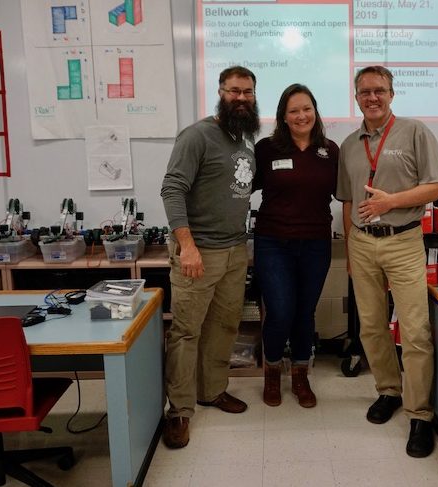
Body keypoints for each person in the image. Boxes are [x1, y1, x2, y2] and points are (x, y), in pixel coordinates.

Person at [336, 66, 438, 458]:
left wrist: (391, 202)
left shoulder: (415, 132)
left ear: (391, 94)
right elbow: (348, 201)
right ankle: (388, 391)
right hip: (363, 244)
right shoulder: (350, 144)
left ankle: (420, 414)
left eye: (379, 91)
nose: (372, 97)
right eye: (365, 92)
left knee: (415, 329)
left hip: (403, 241)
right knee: (370, 326)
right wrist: (351, 248)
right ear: (356, 97)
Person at [160, 66, 260, 449]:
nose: (241, 97)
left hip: (235, 250)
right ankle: (180, 411)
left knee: (224, 327)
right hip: (198, 252)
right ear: (220, 92)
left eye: (247, 92)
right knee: (186, 332)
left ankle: (212, 390)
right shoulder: (197, 135)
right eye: (234, 91)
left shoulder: (246, 139)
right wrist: (187, 245)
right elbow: (172, 189)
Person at [253, 84, 339, 408]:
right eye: (294, 111)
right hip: (273, 242)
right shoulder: (266, 149)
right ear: (283, 117)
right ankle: (272, 370)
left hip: (316, 243)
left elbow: (343, 195)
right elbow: (240, 189)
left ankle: (301, 374)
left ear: (315, 112)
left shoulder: (330, 151)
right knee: (280, 311)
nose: (301, 115)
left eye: (307, 108)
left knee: (305, 312)